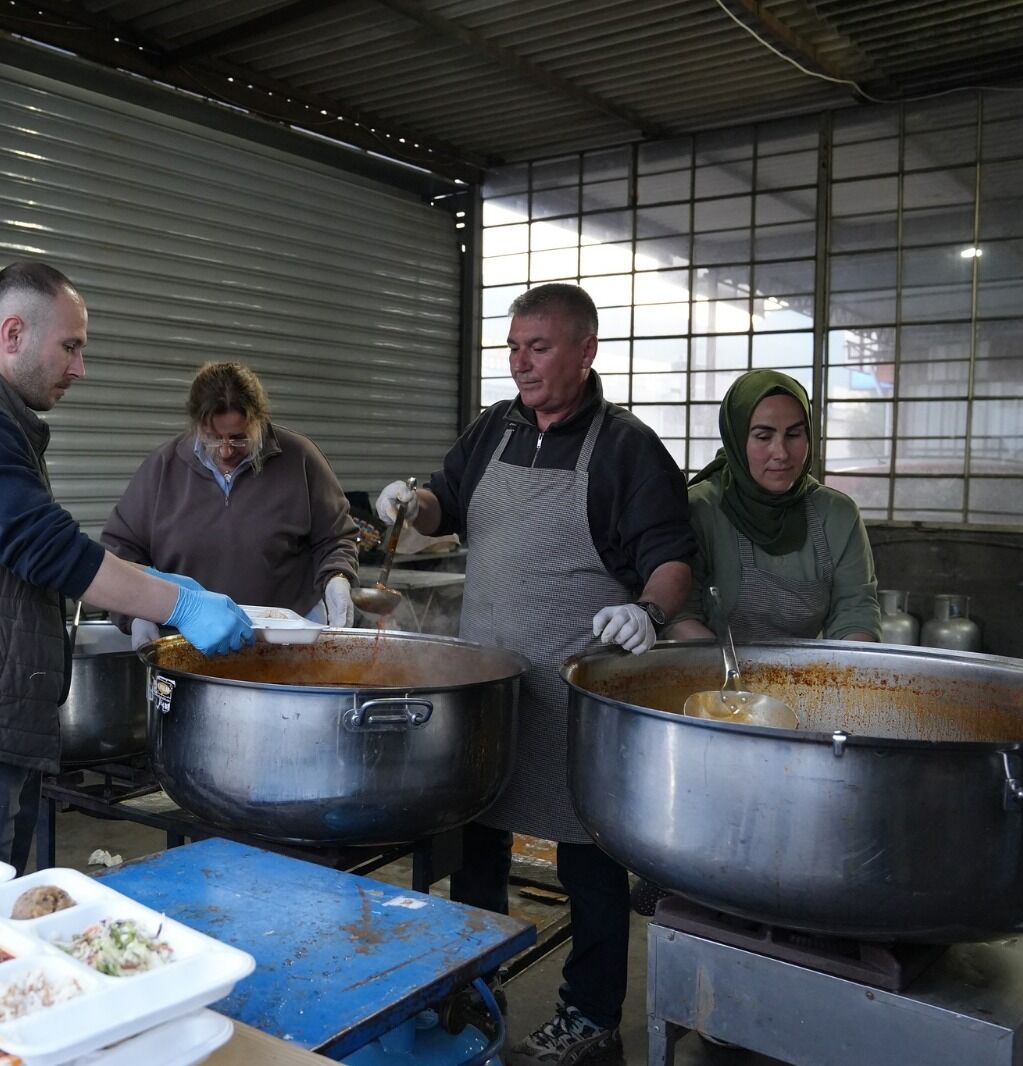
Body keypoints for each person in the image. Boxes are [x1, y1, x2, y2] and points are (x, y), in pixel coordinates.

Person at [376, 283, 695, 1066]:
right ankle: (472, 987)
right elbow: (443, 503)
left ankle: (589, 1017)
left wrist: (649, 615)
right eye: (513, 347)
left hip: (576, 697)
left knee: (590, 862)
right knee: (476, 846)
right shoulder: (494, 427)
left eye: (539, 347)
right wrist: (408, 502)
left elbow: (673, 561)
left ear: (586, 352)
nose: (520, 363)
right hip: (493, 690)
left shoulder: (627, 448)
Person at [0, 261, 253, 867]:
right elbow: (45, 546)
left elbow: (28, 545)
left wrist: (151, 583)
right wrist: (178, 604)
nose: (79, 367)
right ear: (13, 334)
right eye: (70, 347)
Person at [101, 361, 359, 646]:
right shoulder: (163, 468)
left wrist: (337, 578)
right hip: (191, 643)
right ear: (196, 425)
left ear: (260, 421)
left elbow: (335, 538)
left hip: (288, 641)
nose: (225, 451)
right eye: (213, 438)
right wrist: (137, 613)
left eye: (239, 439)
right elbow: (120, 552)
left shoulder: (300, 459)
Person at [664, 369, 881, 643]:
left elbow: (855, 611)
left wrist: (844, 674)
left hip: (807, 678)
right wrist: (736, 679)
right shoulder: (699, 510)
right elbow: (679, 615)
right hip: (713, 676)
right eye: (763, 437)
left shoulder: (837, 515)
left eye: (794, 434)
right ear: (737, 437)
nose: (781, 453)